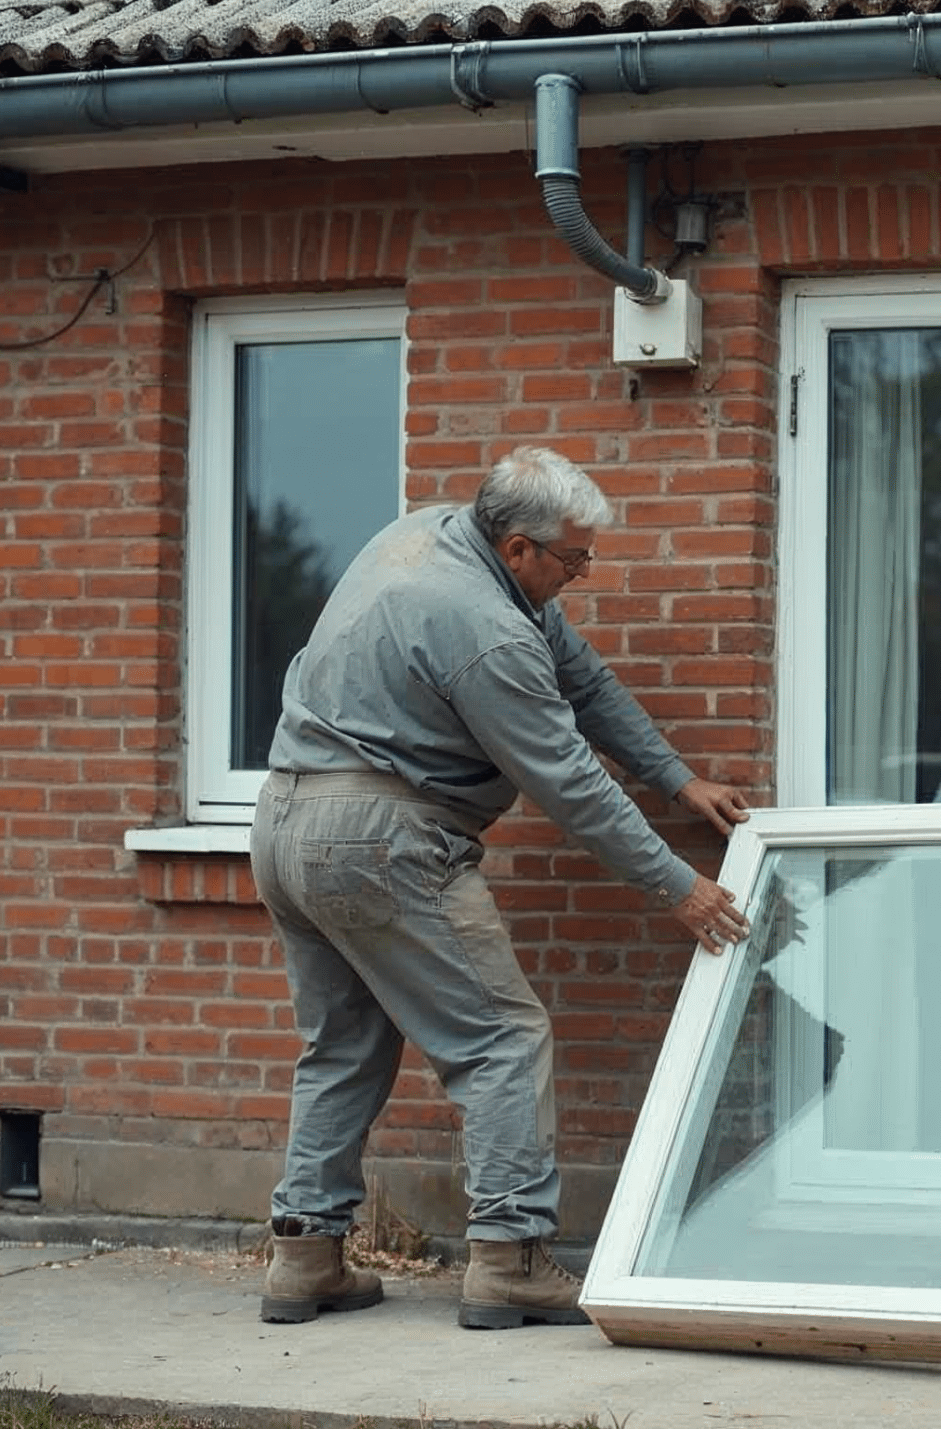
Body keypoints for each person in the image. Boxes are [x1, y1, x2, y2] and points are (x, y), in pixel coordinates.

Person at [251, 445, 753, 1332]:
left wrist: (677, 780)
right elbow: (568, 781)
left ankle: (303, 1254)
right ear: (520, 548)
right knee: (502, 1040)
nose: (583, 573)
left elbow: (585, 681)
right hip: (379, 839)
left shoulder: (432, 536)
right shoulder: (483, 627)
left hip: (284, 823)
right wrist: (679, 886)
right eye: (575, 559)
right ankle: (511, 1258)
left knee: (340, 1045)